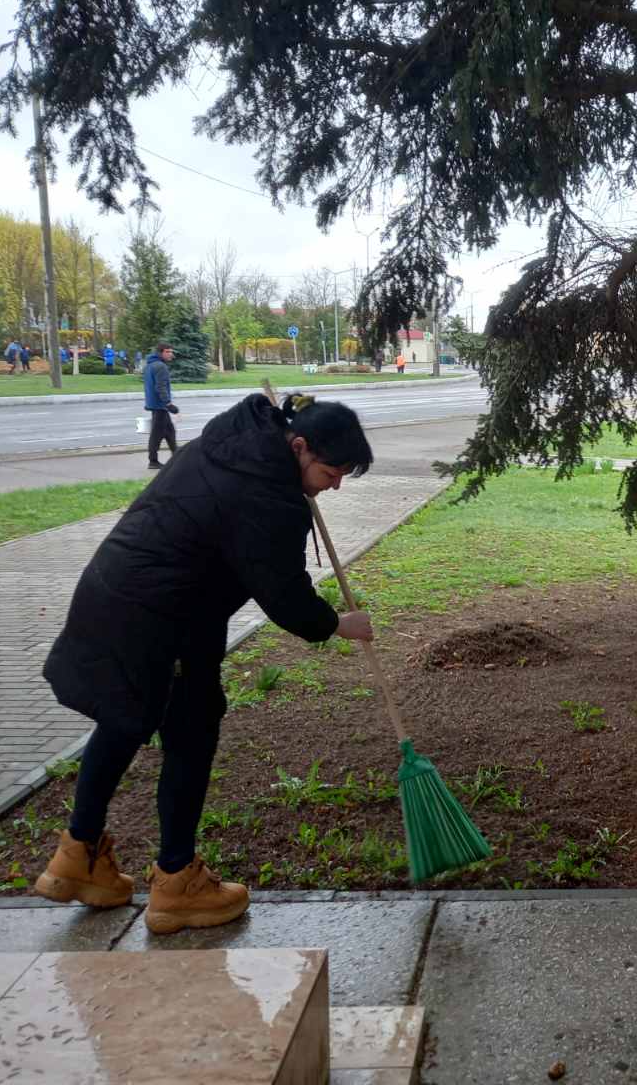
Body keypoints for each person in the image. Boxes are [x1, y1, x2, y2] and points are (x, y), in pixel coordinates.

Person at [35, 391, 376, 934]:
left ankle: (77, 859)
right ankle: (176, 885)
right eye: (330, 473)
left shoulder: (230, 446)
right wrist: (337, 623)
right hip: (164, 619)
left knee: (121, 722)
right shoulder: (267, 495)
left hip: (116, 594)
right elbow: (286, 598)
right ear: (299, 445)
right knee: (191, 735)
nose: (333, 486)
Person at [143, 342, 180, 469]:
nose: (171, 354)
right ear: (160, 352)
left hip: (155, 405)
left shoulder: (150, 365)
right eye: (168, 352)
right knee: (156, 435)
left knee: (170, 432)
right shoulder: (160, 366)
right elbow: (160, 387)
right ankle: (153, 461)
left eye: (171, 351)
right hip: (160, 406)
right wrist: (168, 404)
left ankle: (177, 457)